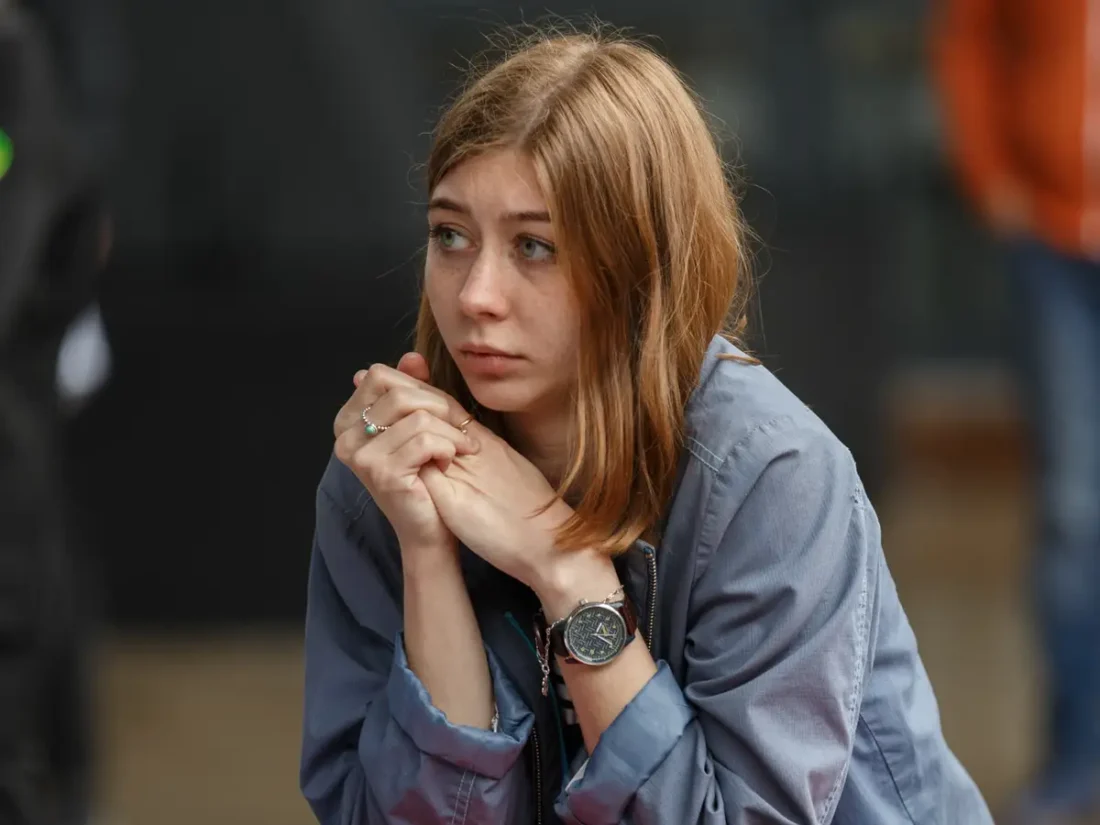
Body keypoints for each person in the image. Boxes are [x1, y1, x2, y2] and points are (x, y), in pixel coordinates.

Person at [300, 29, 993, 825]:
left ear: (640, 267)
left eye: (535, 246)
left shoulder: (773, 476)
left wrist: (567, 572)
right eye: (451, 235)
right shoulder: (390, 469)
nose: (475, 295)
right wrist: (427, 556)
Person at [932, 2, 1100, 822]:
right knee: (1074, 509)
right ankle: (1079, 753)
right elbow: (969, 32)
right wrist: (988, 167)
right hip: (1057, 238)